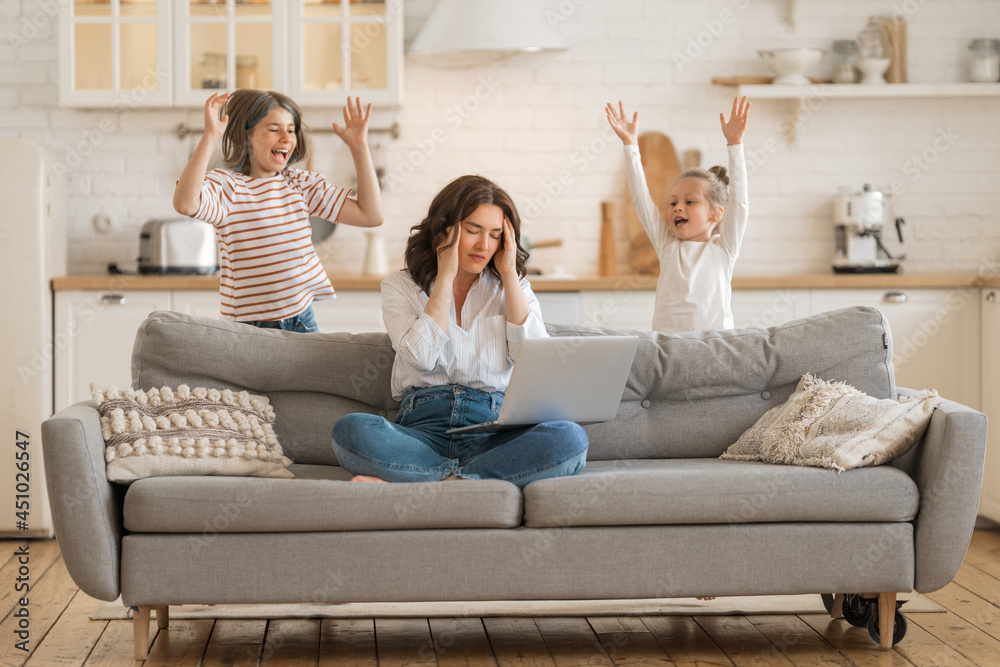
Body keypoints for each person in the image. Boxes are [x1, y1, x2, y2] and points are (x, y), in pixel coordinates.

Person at [330, 175, 589, 487]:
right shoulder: (400, 286)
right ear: (444, 229)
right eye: (473, 230)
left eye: (495, 235)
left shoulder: (514, 288)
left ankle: (438, 479)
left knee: (569, 437)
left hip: (493, 431)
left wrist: (508, 273)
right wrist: (446, 276)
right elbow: (421, 357)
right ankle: (471, 480)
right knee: (352, 430)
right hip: (421, 430)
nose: (484, 245)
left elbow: (533, 363)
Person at [173, 90, 384, 332]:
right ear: (247, 134)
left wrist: (359, 147)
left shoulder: (300, 184)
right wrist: (211, 135)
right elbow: (186, 204)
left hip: (300, 322)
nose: (286, 138)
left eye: (291, 130)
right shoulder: (228, 187)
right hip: (247, 329)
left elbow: (371, 215)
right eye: (274, 129)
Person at [606, 96, 751, 335]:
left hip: (715, 349)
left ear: (716, 213)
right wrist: (630, 146)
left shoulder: (724, 249)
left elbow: (741, 204)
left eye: (690, 201)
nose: (677, 207)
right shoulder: (667, 246)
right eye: (673, 202)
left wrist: (735, 145)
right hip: (668, 350)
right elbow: (642, 200)